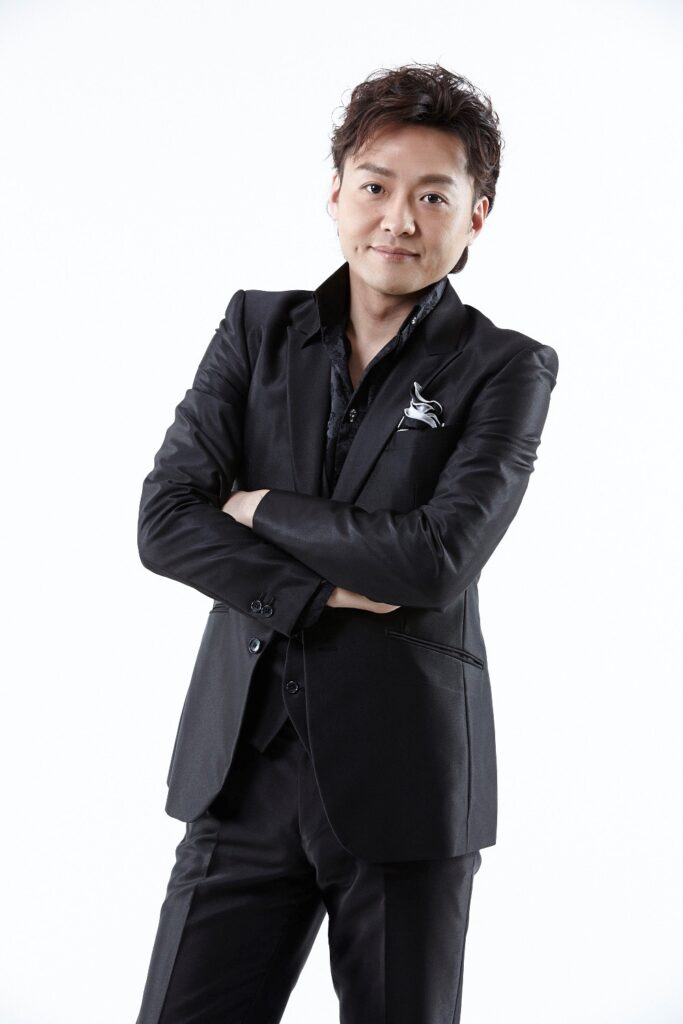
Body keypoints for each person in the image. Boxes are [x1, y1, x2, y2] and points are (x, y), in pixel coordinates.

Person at [135, 61, 559, 1024]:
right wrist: (317, 592)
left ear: (475, 217)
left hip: (404, 787)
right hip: (239, 776)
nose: (397, 219)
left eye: (432, 196)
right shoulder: (255, 328)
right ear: (335, 193)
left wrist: (258, 506)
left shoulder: (505, 368)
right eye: (374, 186)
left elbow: (432, 560)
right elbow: (164, 521)